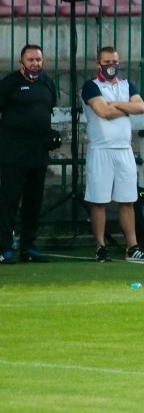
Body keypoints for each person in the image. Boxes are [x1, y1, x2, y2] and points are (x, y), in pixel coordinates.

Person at [81, 46, 144, 263]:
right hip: (101, 149)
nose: (111, 66)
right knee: (99, 201)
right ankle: (100, 246)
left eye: (115, 62)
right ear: (98, 64)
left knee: (127, 199)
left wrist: (117, 104)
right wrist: (126, 107)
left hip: (124, 149)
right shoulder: (91, 86)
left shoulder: (126, 85)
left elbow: (141, 107)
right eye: (107, 62)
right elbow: (103, 112)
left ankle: (132, 247)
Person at [0, 44, 57, 264]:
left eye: (38, 60)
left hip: (38, 152)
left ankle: (29, 246)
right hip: (13, 152)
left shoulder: (47, 84)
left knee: (34, 201)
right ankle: (5, 247)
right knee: (9, 200)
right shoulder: (9, 84)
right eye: (31, 60)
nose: (35, 64)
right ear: (21, 62)